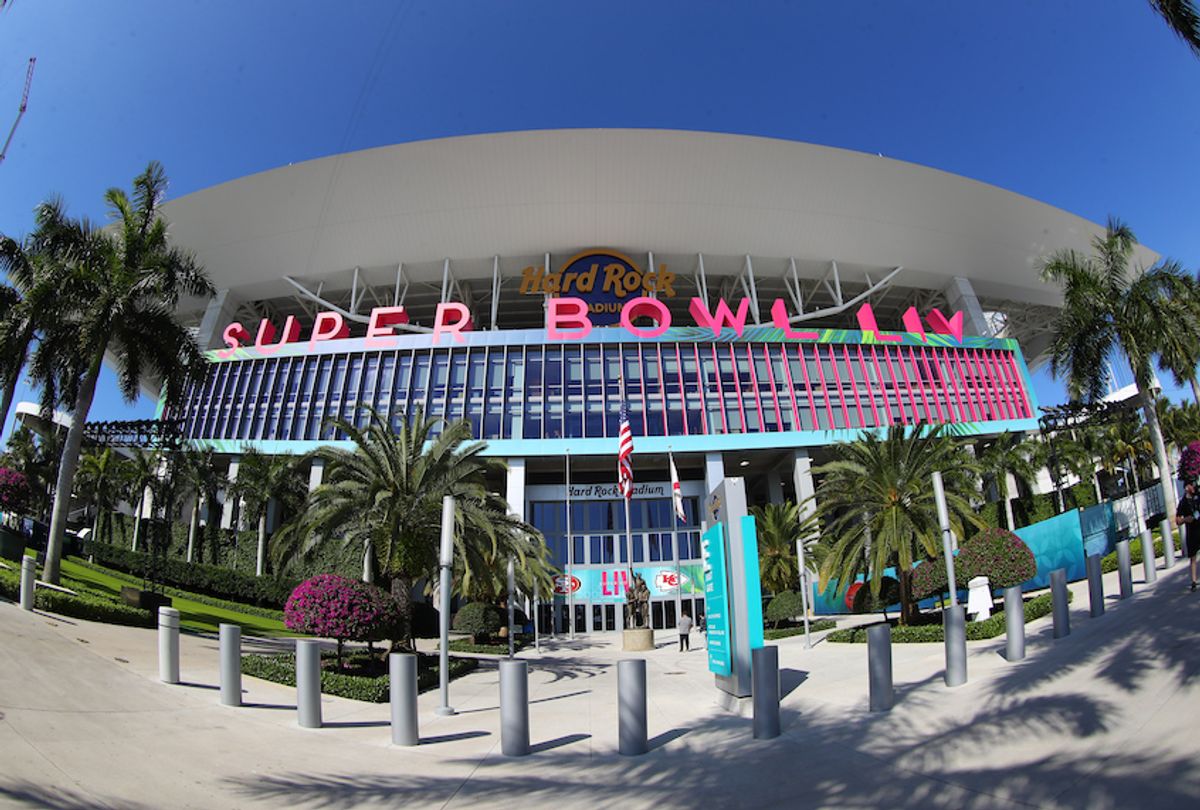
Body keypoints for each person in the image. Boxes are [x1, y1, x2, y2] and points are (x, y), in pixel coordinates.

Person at [1175, 479, 1200, 591]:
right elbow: (1177, 520)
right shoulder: (1183, 502)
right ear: (1186, 487)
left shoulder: (1198, 496)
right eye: (1191, 485)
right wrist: (1185, 519)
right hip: (1192, 531)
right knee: (1193, 557)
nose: (1193, 487)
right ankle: (1194, 581)